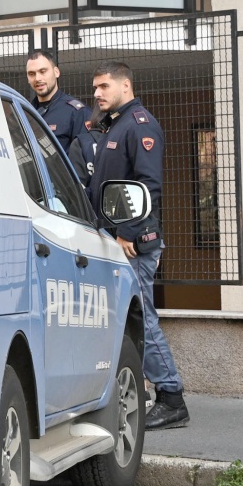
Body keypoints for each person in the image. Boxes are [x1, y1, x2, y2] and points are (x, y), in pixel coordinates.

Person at [87, 60, 189, 430]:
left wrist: (128, 233)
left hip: (134, 245)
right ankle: (133, 392)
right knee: (126, 321)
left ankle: (172, 398)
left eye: (103, 86)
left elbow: (149, 185)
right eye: (95, 87)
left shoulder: (139, 124)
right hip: (114, 242)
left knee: (142, 319)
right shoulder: (115, 125)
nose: (97, 93)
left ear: (125, 85)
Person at [26, 49, 91, 155]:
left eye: (43, 71)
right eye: (32, 74)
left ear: (56, 72)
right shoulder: (25, 112)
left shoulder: (77, 112)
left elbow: (86, 156)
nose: (37, 78)